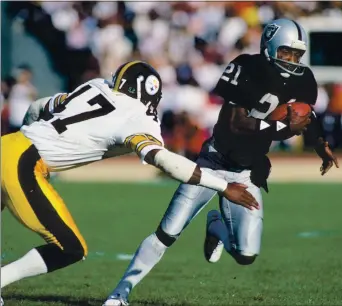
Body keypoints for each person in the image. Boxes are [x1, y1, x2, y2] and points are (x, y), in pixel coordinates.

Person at [103, 19, 339, 306]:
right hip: (213, 162)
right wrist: (281, 128)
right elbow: (235, 122)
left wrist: (320, 144)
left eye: (296, 55)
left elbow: (306, 116)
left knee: (245, 255)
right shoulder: (246, 67)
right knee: (167, 233)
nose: (292, 60)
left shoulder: (304, 79)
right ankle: (120, 293)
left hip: (247, 172)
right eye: (286, 52)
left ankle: (216, 225)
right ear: (270, 47)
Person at [0, 61, 259, 305]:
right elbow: (163, 160)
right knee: (71, 248)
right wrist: (224, 187)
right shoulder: (138, 117)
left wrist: (27, 138)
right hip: (23, 162)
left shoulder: (95, 86)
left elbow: (37, 107)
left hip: (8, 144)